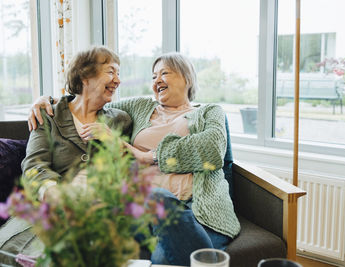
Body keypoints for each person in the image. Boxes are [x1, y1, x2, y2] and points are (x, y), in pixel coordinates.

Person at [29, 52, 241, 266]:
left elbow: (212, 150)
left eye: (164, 73)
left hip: (197, 209)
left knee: (162, 255)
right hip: (144, 213)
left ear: (187, 78)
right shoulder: (140, 107)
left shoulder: (210, 112)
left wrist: (147, 155)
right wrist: (47, 100)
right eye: (153, 76)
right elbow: (88, 99)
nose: (156, 80)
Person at [0, 46, 132, 266]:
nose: (117, 80)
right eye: (111, 72)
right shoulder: (49, 115)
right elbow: (34, 164)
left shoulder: (120, 120)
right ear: (85, 75)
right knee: (16, 253)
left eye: (119, 74)